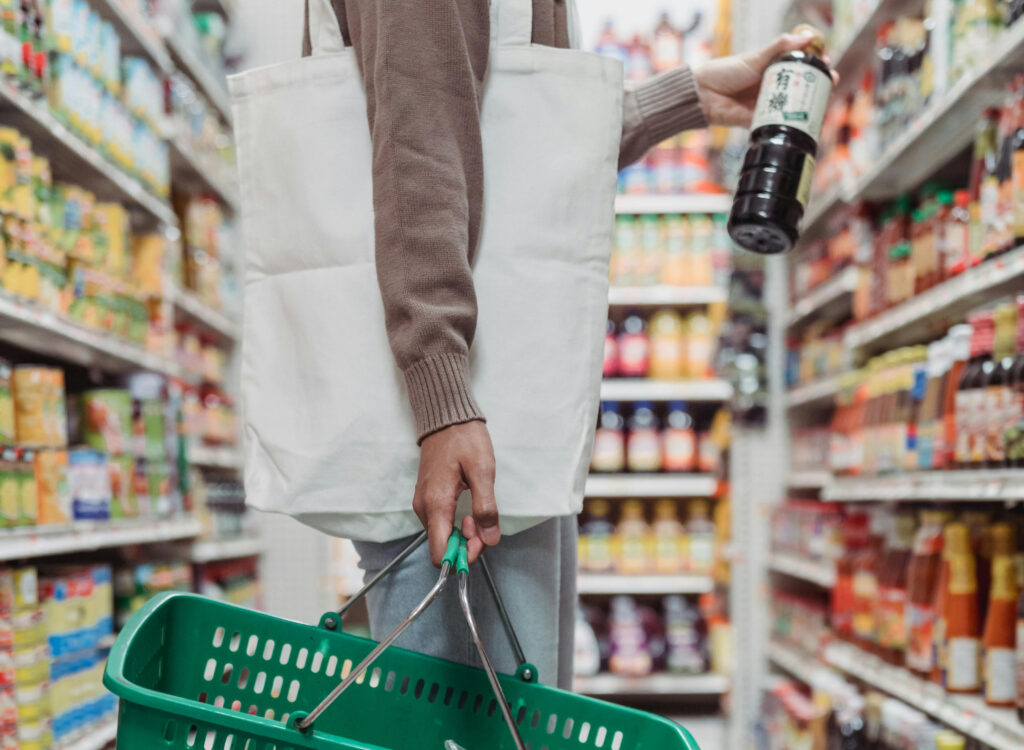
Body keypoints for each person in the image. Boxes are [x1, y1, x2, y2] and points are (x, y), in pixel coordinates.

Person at [300, 0, 827, 688]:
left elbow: (513, 142)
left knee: (494, 705)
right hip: (460, 424)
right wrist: (443, 398)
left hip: (479, 409)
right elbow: (417, 143)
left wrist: (687, 96)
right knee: (470, 713)